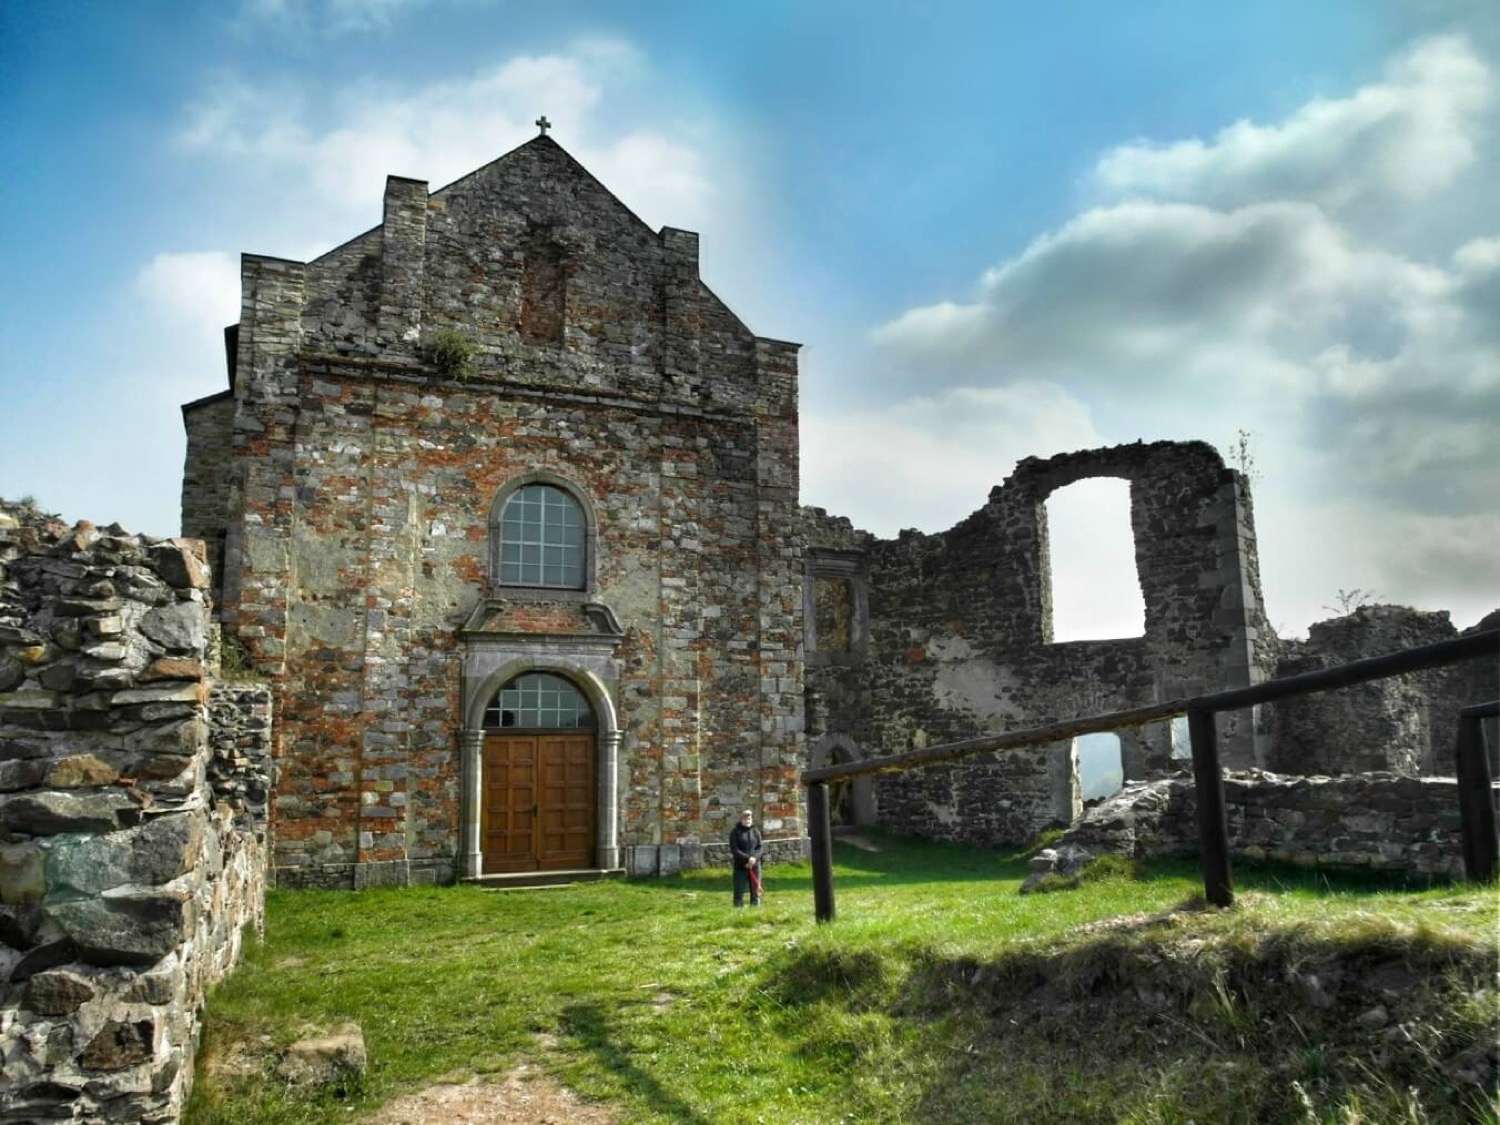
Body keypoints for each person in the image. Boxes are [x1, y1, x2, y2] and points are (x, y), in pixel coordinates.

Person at [729, 809, 763, 906]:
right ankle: (738, 913)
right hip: (740, 867)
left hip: (755, 866)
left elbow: (760, 847)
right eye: (745, 819)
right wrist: (747, 859)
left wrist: (754, 859)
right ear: (741, 820)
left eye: (749, 818)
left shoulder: (756, 831)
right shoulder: (735, 833)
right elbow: (734, 849)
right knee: (738, 893)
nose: (747, 821)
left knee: (756, 892)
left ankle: (755, 912)